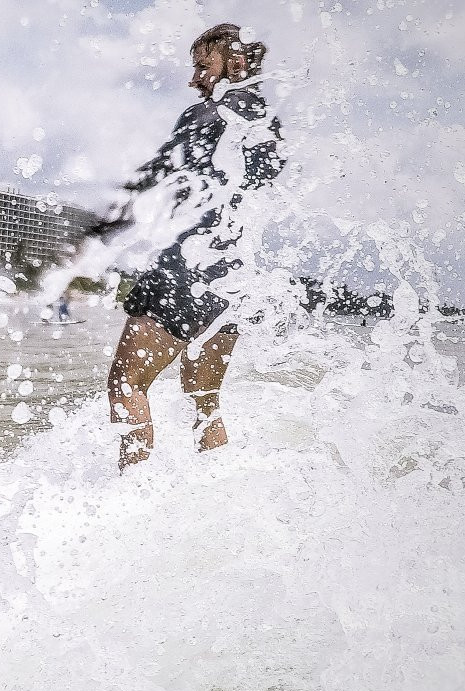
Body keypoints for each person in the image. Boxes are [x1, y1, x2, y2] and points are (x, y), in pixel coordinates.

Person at [103, 23, 284, 470]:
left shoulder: (205, 115)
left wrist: (102, 226)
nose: (194, 78)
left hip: (185, 269)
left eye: (203, 66)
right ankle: (215, 493)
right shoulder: (265, 121)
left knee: (127, 384)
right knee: (204, 399)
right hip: (233, 276)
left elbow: (157, 171)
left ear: (235, 64)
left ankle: (131, 499)